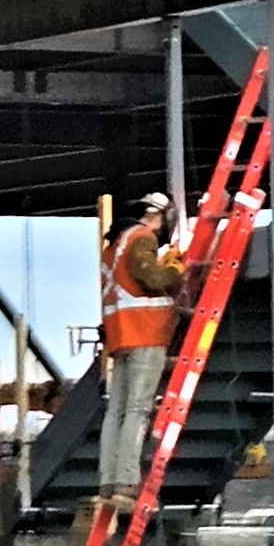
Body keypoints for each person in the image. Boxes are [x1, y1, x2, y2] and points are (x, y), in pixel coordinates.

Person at [98, 192, 185, 511]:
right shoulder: (141, 238)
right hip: (146, 333)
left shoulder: (114, 244)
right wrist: (176, 269)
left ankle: (109, 480)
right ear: (157, 216)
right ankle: (127, 481)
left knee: (117, 410)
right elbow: (151, 278)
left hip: (121, 335)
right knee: (137, 409)